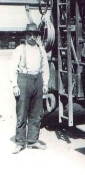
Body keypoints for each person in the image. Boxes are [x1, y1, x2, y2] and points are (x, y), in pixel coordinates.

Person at [9, 23, 50, 154]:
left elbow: (45, 68)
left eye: (34, 35)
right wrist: (15, 85)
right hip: (24, 80)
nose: (32, 37)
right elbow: (12, 68)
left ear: (37, 36)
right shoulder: (20, 49)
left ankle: (33, 140)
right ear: (26, 35)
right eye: (29, 34)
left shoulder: (41, 49)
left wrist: (45, 84)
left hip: (37, 80)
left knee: (36, 113)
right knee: (22, 113)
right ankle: (20, 142)